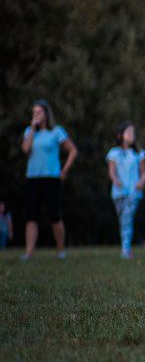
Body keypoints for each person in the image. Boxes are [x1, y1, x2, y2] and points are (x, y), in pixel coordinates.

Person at [21, 100, 77, 260]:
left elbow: (73, 150)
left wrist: (64, 170)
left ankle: (61, 251)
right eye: (34, 113)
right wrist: (32, 128)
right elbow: (25, 149)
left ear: (46, 114)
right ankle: (28, 253)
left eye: (39, 112)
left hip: (51, 178)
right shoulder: (29, 132)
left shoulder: (56, 132)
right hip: (33, 178)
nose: (36, 115)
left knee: (54, 215)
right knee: (31, 216)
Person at [106, 122, 145, 259]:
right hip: (118, 193)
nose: (132, 135)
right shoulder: (114, 153)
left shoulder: (138, 153)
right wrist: (116, 180)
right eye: (129, 132)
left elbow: (144, 173)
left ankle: (125, 249)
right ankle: (126, 246)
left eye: (133, 133)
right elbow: (111, 172)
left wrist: (141, 182)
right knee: (123, 221)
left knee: (126, 219)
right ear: (120, 135)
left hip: (133, 192)